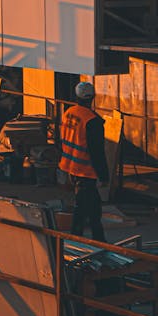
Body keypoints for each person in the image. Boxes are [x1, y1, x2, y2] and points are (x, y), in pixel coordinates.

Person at [58, 81, 109, 242]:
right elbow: (97, 152)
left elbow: (62, 139)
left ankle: (96, 238)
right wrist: (104, 175)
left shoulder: (69, 113)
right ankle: (79, 237)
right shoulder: (92, 121)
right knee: (84, 207)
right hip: (85, 170)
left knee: (91, 206)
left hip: (70, 166)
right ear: (93, 97)